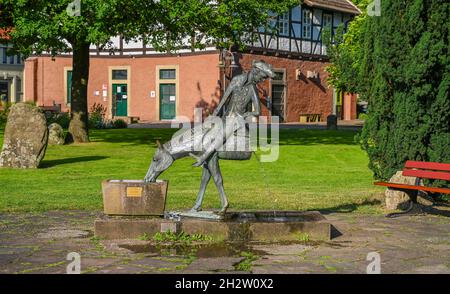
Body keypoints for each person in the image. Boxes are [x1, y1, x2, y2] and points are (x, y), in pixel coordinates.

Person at [190, 60, 275, 167]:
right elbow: (224, 99)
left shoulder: (253, 88)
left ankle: (203, 157)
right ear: (255, 71)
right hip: (226, 116)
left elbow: (258, 111)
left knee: (224, 134)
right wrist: (215, 114)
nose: (262, 80)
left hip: (237, 121)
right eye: (262, 77)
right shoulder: (236, 80)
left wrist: (246, 114)